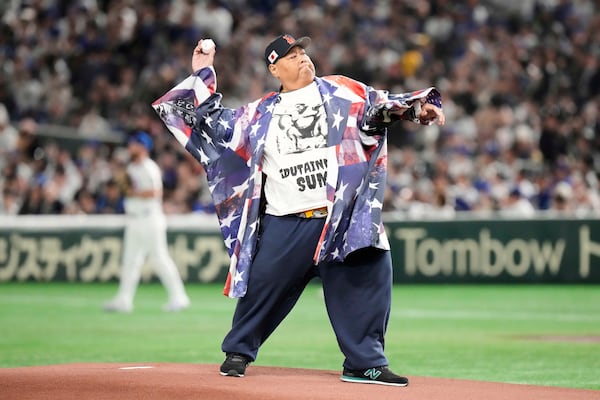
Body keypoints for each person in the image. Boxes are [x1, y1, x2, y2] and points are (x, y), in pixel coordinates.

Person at [152, 34, 444, 385]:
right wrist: (203, 72)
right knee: (261, 289)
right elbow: (209, 123)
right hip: (286, 222)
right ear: (274, 68)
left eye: (303, 52)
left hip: (341, 218)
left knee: (371, 269)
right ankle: (238, 353)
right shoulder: (258, 113)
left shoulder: (341, 90)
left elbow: (381, 104)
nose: (302, 58)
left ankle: (365, 362)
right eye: (291, 56)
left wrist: (415, 108)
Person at [104, 131, 190, 313]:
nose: (130, 147)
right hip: (134, 219)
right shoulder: (131, 168)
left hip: (149, 218)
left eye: (134, 144)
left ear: (143, 147)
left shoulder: (149, 167)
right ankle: (123, 300)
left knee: (159, 259)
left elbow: (156, 193)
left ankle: (179, 297)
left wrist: (133, 192)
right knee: (130, 261)